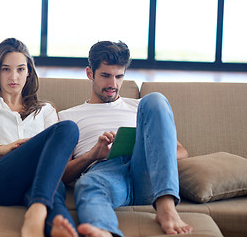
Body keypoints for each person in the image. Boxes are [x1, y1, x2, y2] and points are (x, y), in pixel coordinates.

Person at [59, 40, 193, 237]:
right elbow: (61, 174)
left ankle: (165, 205)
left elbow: (181, 152)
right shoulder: (68, 116)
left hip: (146, 170)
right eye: (105, 76)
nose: (113, 84)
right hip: (105, 172)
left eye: (119, 76)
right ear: (90, 73)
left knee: (155, 99)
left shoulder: (140, 107)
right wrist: (92, 155)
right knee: (88, 185)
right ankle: (104, 231)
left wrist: (147, 148)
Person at [0, 38, 79, 237]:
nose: (13, 76)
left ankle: (60, 227)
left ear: (29, 72)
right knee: (66, 130)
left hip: (36, 181)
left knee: (68, 130)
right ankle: (37, 212)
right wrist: (3, 148)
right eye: (6, 69)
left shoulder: (45, 110)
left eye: (20, 69)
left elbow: (56, 160)